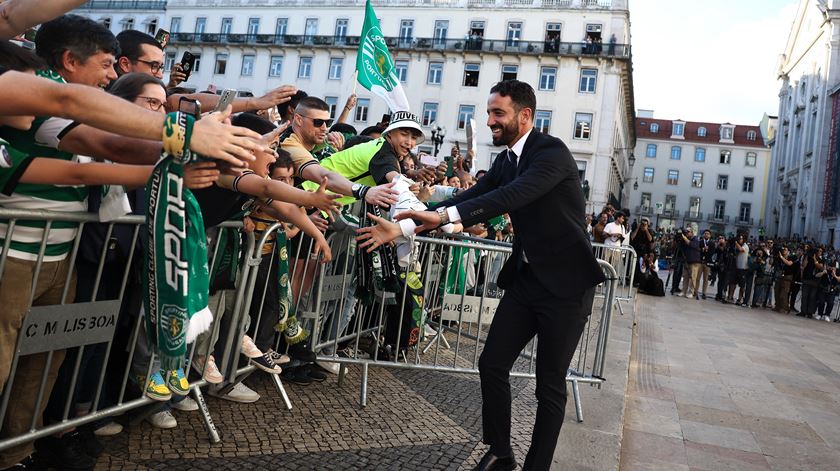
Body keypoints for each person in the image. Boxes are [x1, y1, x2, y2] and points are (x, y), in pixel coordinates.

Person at [357, 80, 605, 471]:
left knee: (549, 386)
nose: (490, 120)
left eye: (498, 113)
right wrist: (404, 227)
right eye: (489, 112)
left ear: (525, 116)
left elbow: (508, 198)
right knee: (491, 364)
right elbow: (469, 198)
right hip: (526, 282)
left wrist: (439, 217)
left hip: (567, 287)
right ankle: (501, 454)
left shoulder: (551, 154)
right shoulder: (506, 161)